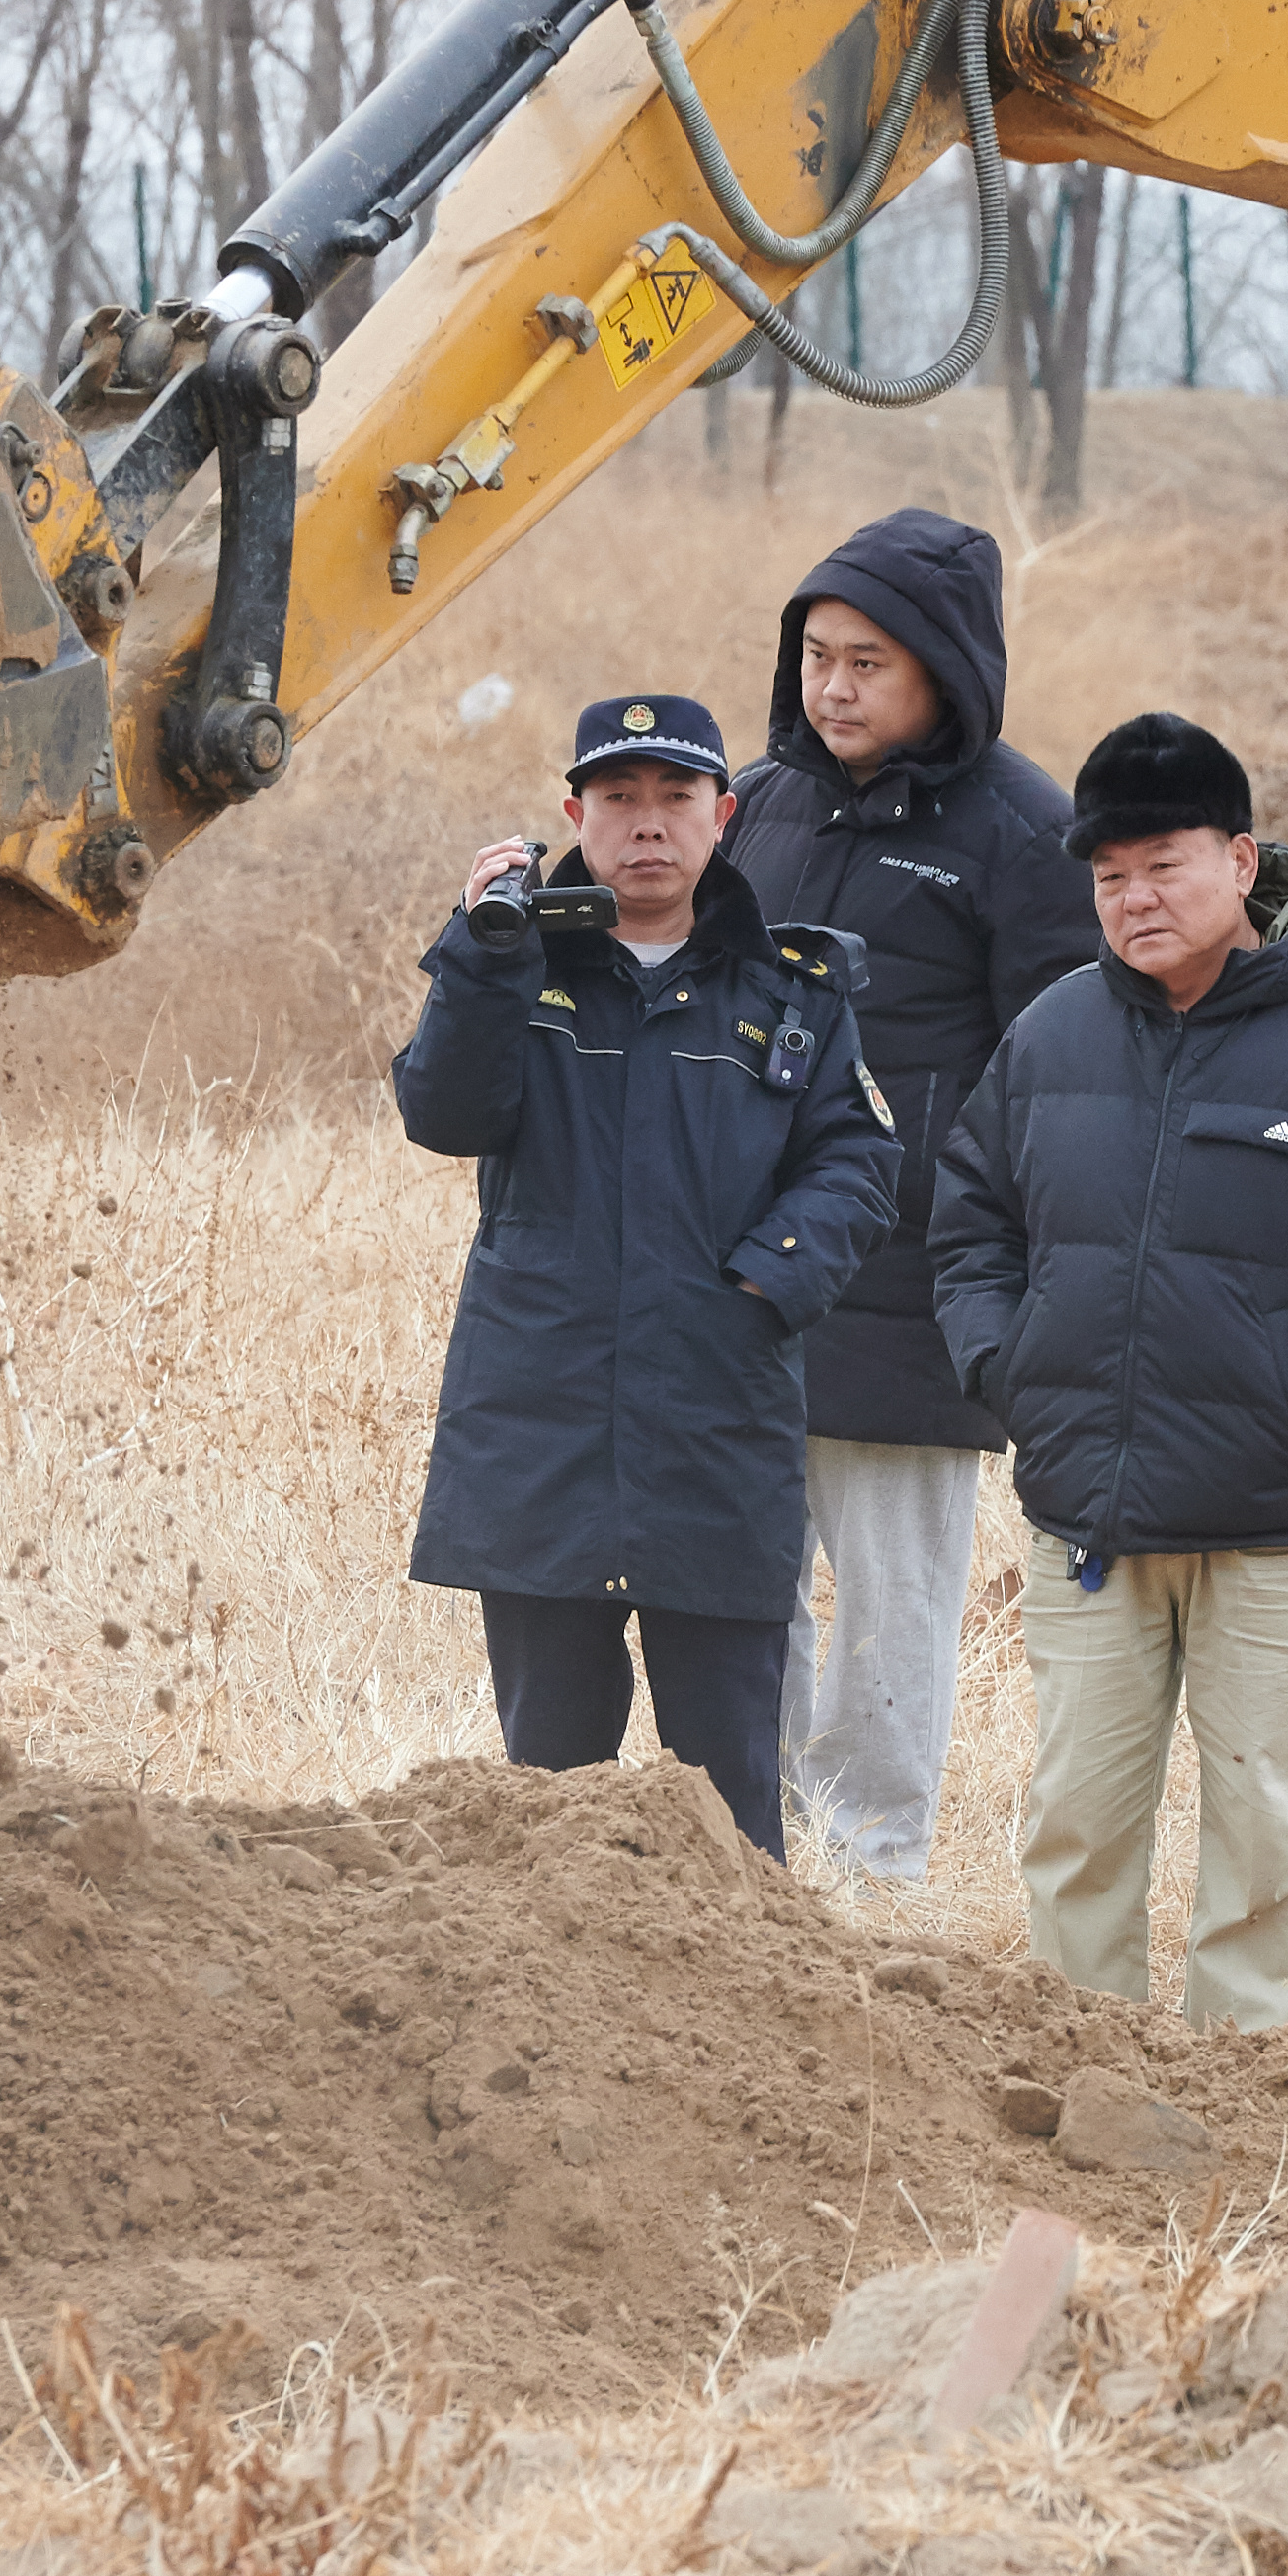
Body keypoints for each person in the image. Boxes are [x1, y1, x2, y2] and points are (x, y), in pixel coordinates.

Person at [931, 714, 1288, 2027]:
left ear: (1242, 862)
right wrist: (1013, 1375)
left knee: (1262, 1829)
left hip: (1271, 1520)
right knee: (1074, 1824)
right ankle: (1092, 2070)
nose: (1135, 898)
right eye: (1111, 875)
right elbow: (971, 1219)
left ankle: (1247, 2091)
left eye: (1165, 865)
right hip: (1091, 1518)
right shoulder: (1052, 1038)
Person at [399, 691, 904, 1858]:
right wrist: (481, 955)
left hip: (715, 1420)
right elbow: (443, 1110)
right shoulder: (515, 964)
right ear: (573, 815)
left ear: (722, 816)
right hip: (541, 1424)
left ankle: (736, 2025)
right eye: (617, 798)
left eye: (675, 797)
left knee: (726, 1806)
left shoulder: (793, 991)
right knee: (546, 1795)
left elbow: (859, 1161)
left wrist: (762, 1285)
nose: (646, 825)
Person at [725, 508, 1095, 1883]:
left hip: (912, 1283)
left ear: (942, 668)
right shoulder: (758, 806)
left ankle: (872, 1863)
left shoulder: (1023, 831)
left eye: (867, 662)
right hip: (750, 1270)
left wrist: (1008, 1269)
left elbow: (1059, 1078)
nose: (832, 687)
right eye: (817, 656)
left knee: (891, 1603)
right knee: (740, 1577)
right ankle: (747, 1854)